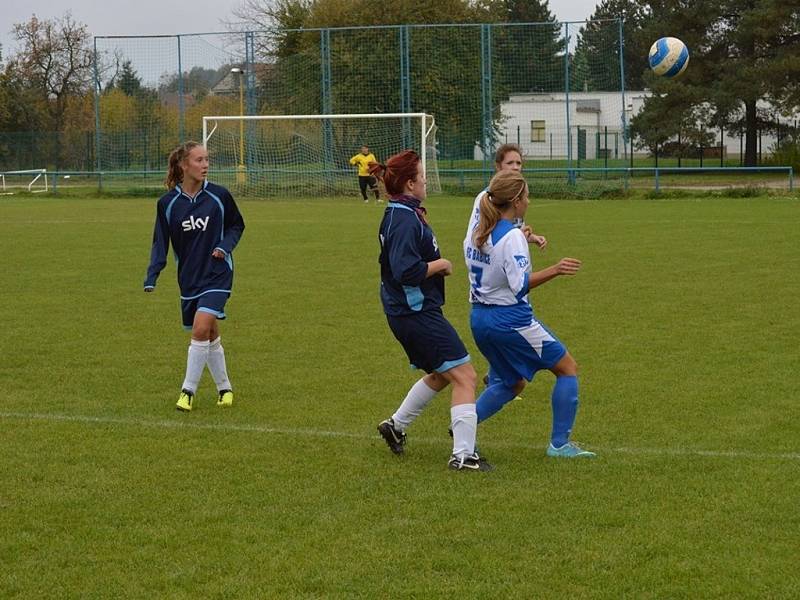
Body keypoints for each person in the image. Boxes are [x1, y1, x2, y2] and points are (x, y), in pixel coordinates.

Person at [372, 150, 491, 471]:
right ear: (410, 184)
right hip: (415, 312)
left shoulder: (402, 212)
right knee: (465, 376)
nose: (426, 180)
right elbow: (405, 271)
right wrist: (442, 264)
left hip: (409, 311)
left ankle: (395, 426)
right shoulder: (403, 220)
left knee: (441, 374)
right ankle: (464, 456)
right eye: (422, 176)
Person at [465, 169, 595, 458]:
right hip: (510, 320)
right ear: (516, 201)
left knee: (512, 383)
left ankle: (463, 429)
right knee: (567, 368)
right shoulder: (511, 237)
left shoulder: (478, 230)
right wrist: (556, 269)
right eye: (527, 196)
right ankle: (560, 445)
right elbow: (520, 285)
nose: (529, 201)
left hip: (479, 318)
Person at [144, 141, 246, 412]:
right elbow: (159, 242)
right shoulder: (167, 204)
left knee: (201, 327)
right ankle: (225, 388)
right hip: (189, 279)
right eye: (199, 160)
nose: (205, 165)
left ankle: (187, 392)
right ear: (183, 165)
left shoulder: (218, 196)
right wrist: (152, 275)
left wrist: (224, 247)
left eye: (207, 159)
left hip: (218, 274)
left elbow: (237, 225)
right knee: (209, 331)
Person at [464, 143, 546, 392]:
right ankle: (502, 376)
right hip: (492, 272)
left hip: (506, 267)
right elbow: (483, 236)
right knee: (507, 317)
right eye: (510, 163)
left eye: (519, 163)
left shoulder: (515, 195)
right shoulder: (486, 198)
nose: (516, 167)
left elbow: (510, 231)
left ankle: (497, 374)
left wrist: (529, 237)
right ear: (498, 166)